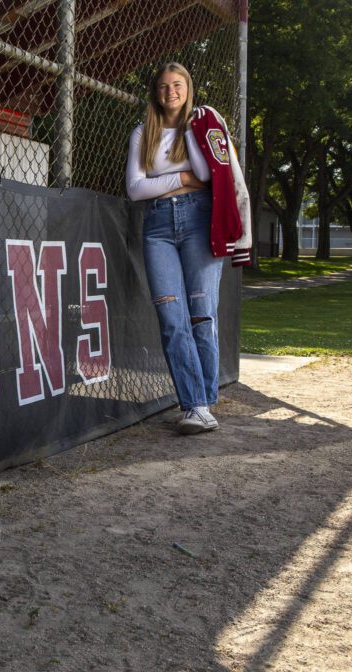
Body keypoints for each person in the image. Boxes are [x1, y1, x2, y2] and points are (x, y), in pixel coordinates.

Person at [125, 62, 250, 435]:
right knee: (171, 319)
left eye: (178, 85)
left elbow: (208, 174)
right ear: (155, 92)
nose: (171, 92)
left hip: (199, 221)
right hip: (158, 227)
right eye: (163, 86)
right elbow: (135, 189)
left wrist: (191, 137)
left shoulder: (202, 125)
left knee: (202, 316)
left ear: (188, 88)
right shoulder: (142, 133)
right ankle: (196, 405)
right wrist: (181, 178)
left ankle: (201, 401)